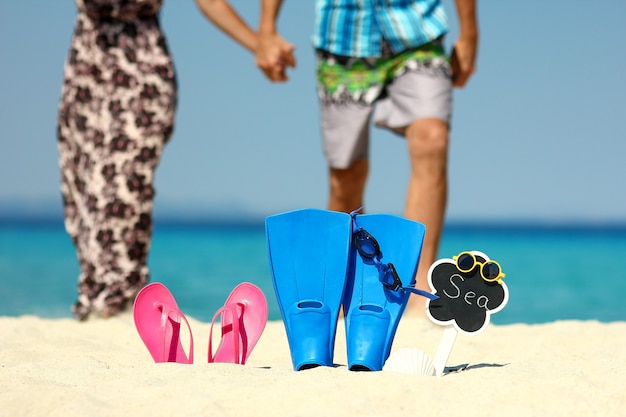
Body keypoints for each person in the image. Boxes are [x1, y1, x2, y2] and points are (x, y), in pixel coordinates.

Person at [255, 0, 478, 314]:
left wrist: (469, 32)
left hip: (418, 33)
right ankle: (350, 293)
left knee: (432, 139)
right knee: (346, 175)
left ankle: (414, 292)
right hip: (342, 41)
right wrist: (266, 29)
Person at [57, 0, 257, 320]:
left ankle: (122, 299)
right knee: (81, 185)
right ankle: (96, 298)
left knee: (125, 184)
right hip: (87, 64)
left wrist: (261, 42)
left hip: (142, 67)